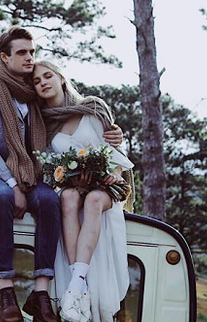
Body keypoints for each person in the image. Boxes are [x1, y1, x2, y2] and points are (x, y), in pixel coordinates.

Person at [0, 27, 123, 322]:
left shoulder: (33, 95)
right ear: (4, 57)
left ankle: (41, 293)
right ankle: (6, 290)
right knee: (2, 196)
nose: (29, 58)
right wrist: (12, 183)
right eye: (22, 52)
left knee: (51, 200)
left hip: (31, 177)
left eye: (32, 52)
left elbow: (69, 114)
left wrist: (115, 134)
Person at [32, 60, 134, 322]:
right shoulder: (45, 124)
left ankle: (76, 285)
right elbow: (49, 165)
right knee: (68, 197)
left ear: (60, 78)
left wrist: (115, 174)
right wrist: (70, 176)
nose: (43, 82)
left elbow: (115, 149)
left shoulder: (93, 108)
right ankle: (80, 290)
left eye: (47, 76)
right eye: (36, 81)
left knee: (94, 200)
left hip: (105, 187)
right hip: (72, 189)